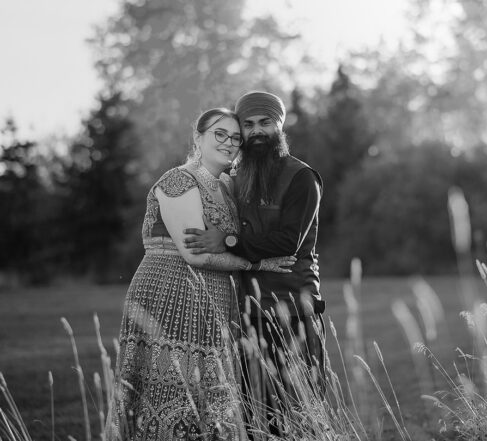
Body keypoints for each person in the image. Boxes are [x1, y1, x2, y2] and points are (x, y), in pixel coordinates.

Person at [106, 108, 295, 441]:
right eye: (219, 134)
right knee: (170, 388)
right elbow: (196, 254)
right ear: (198, 137)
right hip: (170, 288)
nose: (229, 143)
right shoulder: (179, 180)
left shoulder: (227, 186)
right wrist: (255, 264)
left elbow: (231, 242)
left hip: (217, 297)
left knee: (211, 393)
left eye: (236, 137)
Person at [183, 91, 325, 437]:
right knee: (257, 414)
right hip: (248, 311)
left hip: (293, 308)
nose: (256, 131)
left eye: (265, 122)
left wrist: (229, 242)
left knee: (301, 410)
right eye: (248, 124)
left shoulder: (302, 177)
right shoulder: (238, 175)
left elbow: (288, 241)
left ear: (280, 124)